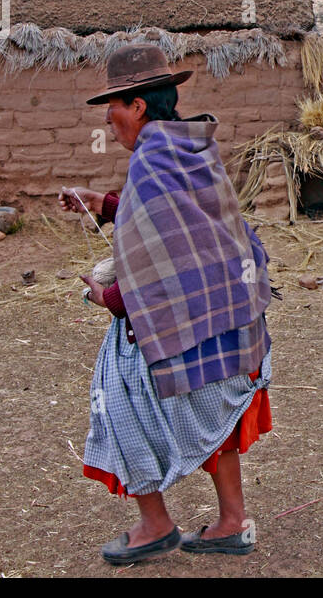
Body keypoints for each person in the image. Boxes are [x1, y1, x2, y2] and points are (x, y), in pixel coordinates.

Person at [59, 44, 273, 565]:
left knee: (117, 401)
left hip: (180, 322)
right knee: (214, 414)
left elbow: (164, 253)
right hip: (228, 315)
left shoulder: (153, 162)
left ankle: (154, 524)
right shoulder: (190, 146)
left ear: (136, 106)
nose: (108, 119)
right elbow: (186, 227)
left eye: (113, 105)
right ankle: (231, 523)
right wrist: (107, 204)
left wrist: (106, 295)